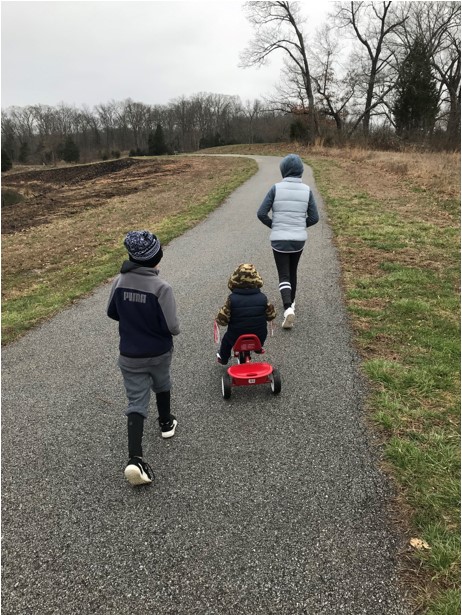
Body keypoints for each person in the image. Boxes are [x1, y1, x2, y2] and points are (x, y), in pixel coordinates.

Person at [107, 230, 180, 487]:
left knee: (136, 401)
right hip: (158, 351)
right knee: (162, 383)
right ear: (155, 257)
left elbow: (112, 312)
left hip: (130, 353)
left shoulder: (119, 282)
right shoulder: (162, 288)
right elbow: (173, 326)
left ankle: (134, 458)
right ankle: (165, 423)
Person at [257, 153, 319, 329]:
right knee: (293, 271)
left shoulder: (275, 189)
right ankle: (291, 304)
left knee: (283, 274)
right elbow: (314, 217)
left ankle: (287, 309)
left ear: (283, 171)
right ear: (301, 171)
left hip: (279, 239)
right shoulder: (307, 191)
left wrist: (275, 226)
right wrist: (300, 225)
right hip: (298, 240)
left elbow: (261, 213)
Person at [215, 263, 276, 365]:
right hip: (258, 337)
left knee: (226, 340)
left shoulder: (232, 299)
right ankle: (258, 348)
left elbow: (223, 320)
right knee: (261, 331)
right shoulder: (263, 298)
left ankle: (223, 358)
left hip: (236, 336)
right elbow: (271, 315)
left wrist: (219, 318)